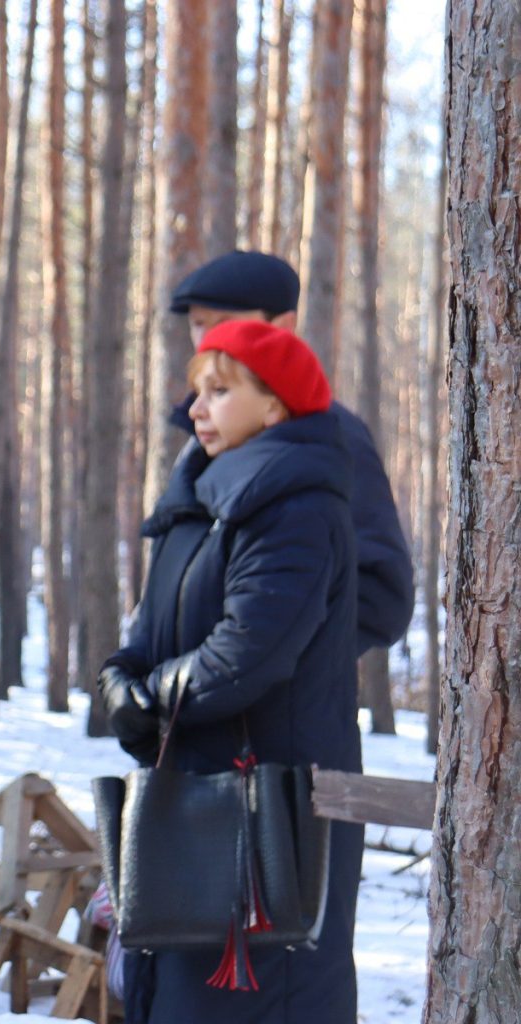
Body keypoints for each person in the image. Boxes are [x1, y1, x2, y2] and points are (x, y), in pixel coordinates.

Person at [100, 320, 361, 1023]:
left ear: (275, 405)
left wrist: (147, 698)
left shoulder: (298, 508)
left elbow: (250, 652)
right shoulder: (196, 508)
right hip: (189, 812)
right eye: (196, 391)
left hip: (273, 822)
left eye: (220, 390)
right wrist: (118, 682)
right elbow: (147, 635)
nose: (196, 408)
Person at [168, 250, 415, 654]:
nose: (210, 340)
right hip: (189, 701)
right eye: (198, 325)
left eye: (227, 323)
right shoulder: (201, 437)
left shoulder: (333, 437)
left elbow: (383, 598)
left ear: (283, 326)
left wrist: (267, 656)